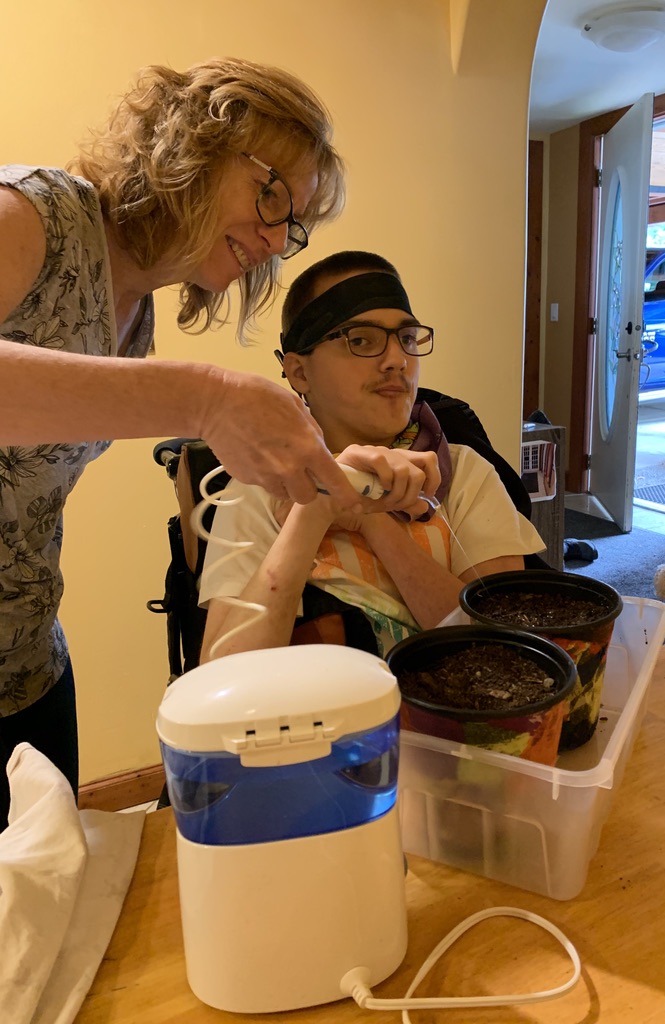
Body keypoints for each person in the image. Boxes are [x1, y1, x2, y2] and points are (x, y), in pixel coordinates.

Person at [0, 57, 368, 828]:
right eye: (272, 197)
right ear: (191, 144)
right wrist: (201, 398)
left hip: (26, 667)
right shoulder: (31, 216)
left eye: (290, 225)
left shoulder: (133, 315)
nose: (274, 240)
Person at [199, 251, 545, 662]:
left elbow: (507, 653)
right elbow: (223, 674)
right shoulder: (263, 486)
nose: (398, 360)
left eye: (408, 338)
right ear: (299, 373)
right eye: (360, 340)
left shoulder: (464, 472)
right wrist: (316, 509)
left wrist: (371, 519)